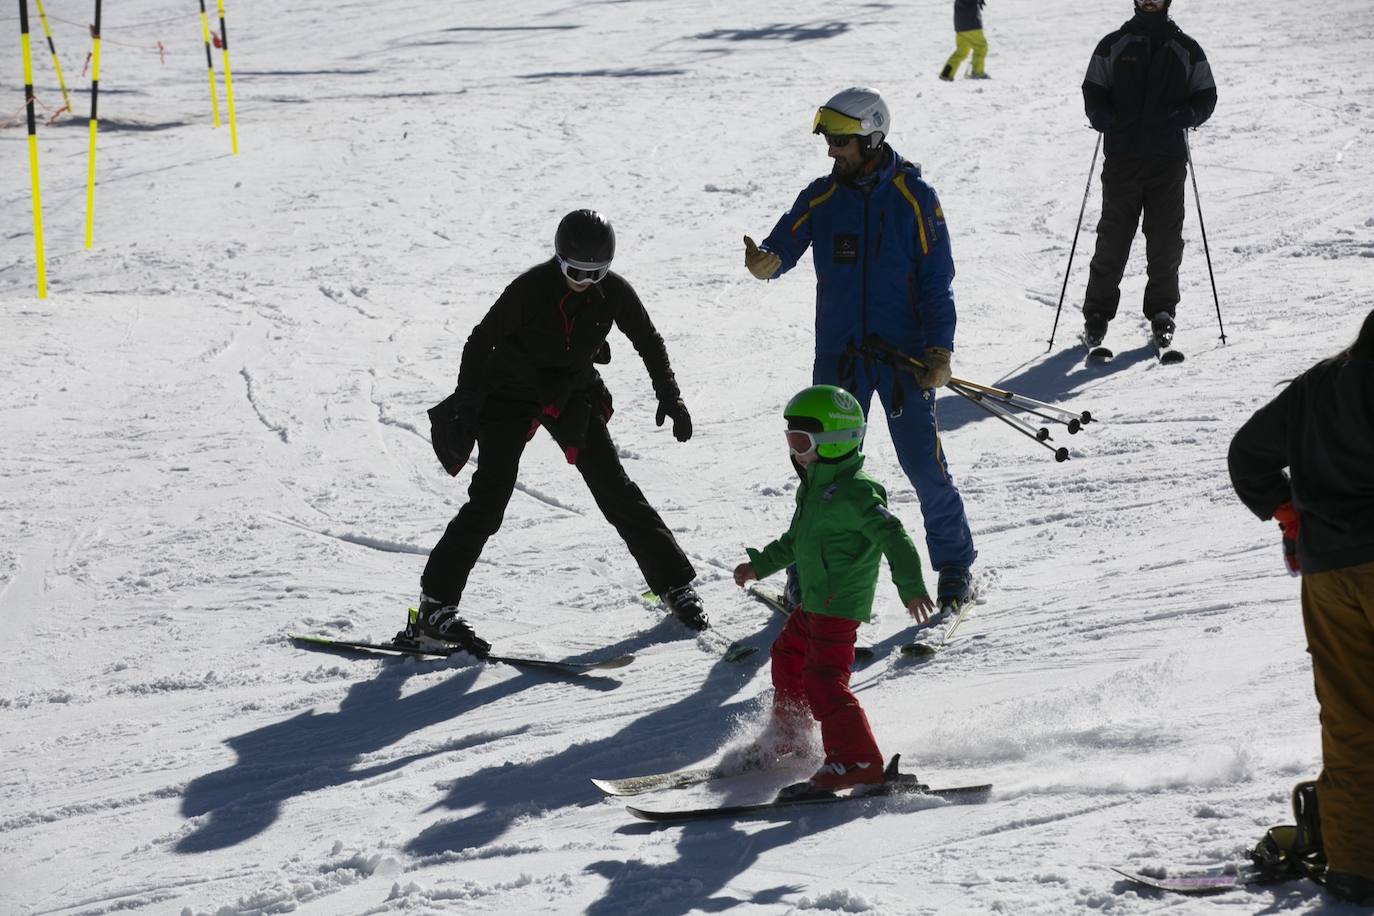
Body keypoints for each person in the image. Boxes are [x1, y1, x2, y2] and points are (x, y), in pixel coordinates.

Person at [414, 209, 708, 656]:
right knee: (490, 498)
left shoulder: (614, 292)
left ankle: (675, 585)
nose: (585, 282)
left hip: (571, 391)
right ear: (559, 260)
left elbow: (648, 340)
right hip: (509, 393)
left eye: (596, 273)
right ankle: (435, 607)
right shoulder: (529, 289)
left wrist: (671, 396)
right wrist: (467, 407)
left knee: (615, 488)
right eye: (575, 272)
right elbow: (480, 342)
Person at [742, 86, 977, 614]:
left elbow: (937, 281)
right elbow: (783, 246)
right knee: (818, 473)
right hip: (840, 360)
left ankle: (954, 565)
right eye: (828, 141)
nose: (831, 151)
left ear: (871, 138)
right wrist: (766, 262)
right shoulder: (821, 197)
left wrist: (939, 352)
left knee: (923, 465)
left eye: (841, 142)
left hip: (903, 362)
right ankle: (805, 573)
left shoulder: (916, 198)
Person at [1227, 308, 1374, 905]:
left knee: (1351, 720)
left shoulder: (1321, 383)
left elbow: (1247, 454)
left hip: (1330, 574)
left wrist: (1290, 515)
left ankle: (1357, 864)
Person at [734, 385, 934, 790]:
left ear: (835, 440)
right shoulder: (813, 489)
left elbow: (895, 537)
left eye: (801, 441)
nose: (794, 452)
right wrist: (760, 565)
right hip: (814, 602)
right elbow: (795, 541)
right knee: (787, 653)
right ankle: (792, 731)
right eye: (790, 441)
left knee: (824, 681)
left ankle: (857, 760)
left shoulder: (857, 492)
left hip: (837, 606)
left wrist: (911, 587)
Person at [1079, 0, 1216, 352]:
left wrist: (1191, 113)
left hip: (1167, 163)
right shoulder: (1113, 44)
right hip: (1122, 161)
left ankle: (1162, 312)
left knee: (1165, 242)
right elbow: (1093, 87)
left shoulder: (1186, 49)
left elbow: (1206, 94)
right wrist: (1099, 113)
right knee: (1112, 240)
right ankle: (1097, 314)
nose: (1149, 1)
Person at [940, 0, 990, 81]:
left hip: (960, 25)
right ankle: (977, 72)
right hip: (971, 25)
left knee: (961, 51)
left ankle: (946, 73)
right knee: (981, 47)